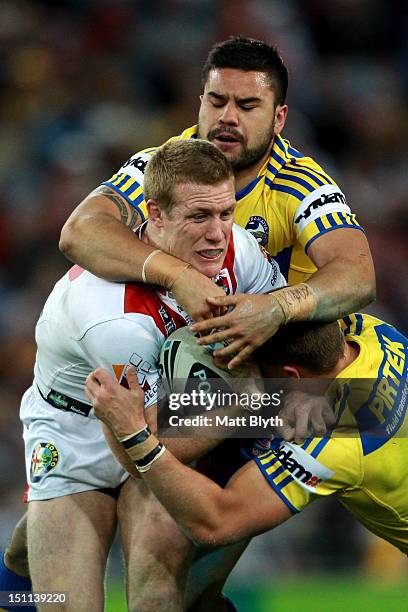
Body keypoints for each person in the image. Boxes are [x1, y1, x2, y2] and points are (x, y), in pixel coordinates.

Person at [17, 139, 286, 612]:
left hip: (165, 417)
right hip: (78, 432)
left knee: (159, 591)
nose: (218, 234)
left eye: (226, 213)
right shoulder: (115, 319)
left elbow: (279, 342)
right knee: (61, 600)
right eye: (199, 217)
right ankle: (23, 562)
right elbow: (134, 445)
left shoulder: (236, 248)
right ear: (154, 216)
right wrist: (244, 401)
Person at [59, 35, 375, 369]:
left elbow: (358, 275)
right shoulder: (162, 166)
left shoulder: (300, 184)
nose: (227, 117)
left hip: (295, 365)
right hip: (197, 351)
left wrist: (278, 308)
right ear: (200, 103)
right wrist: (179, 276)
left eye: (247, 106)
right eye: (216, 101)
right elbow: (79, 231)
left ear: (278, 119)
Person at [87, 312, 408, 559]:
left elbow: (216, 522)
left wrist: (135, 435)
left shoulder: (335, 441)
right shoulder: (372, 331)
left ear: (291, 375)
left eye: (256, 371)